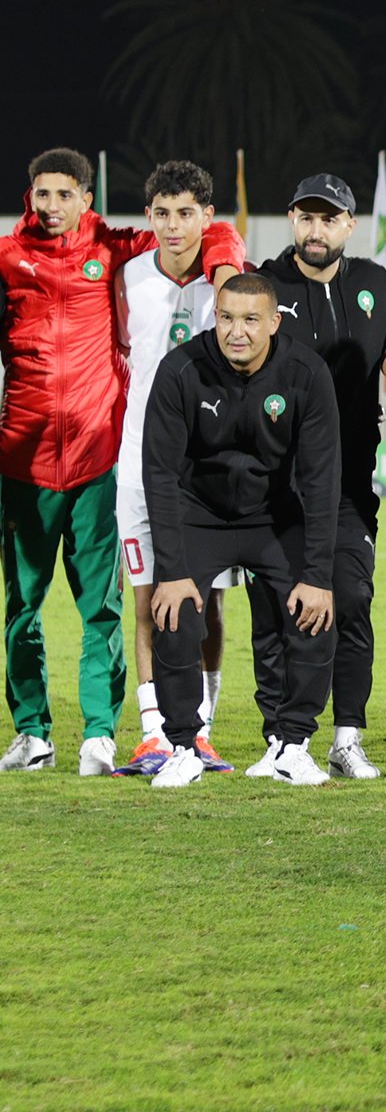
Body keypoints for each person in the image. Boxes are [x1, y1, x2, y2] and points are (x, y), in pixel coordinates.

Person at [0, 146, 242, 775]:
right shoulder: (14, 260)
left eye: (65, 194)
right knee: (39, 604)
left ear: (87, 198)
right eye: (41, 194)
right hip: (47, 457)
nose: (51, 206)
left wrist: (222, 265)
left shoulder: (111, 251)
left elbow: (214, 231)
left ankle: (137, 731)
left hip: (118, 460)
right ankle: (51, 731)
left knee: (145, 602)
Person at [140, 274, 338, 789]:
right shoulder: (181, 369)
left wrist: (317, 574)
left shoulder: (306, 373)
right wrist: (173, 570)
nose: (237, 332)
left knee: (315, 610)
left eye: (251, 320)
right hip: (197, 513)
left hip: (274, 515)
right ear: (216, 317)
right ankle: (183, 746)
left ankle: (292, 744)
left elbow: (321, 479)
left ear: (274, 322)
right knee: (174, 612)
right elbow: (158, 473)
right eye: (227, 318)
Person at [255, 173, 386, 780]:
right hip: (275, 486)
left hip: (348, 485)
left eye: (329, 218)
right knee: (275, 612)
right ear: (292, 220)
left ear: (349, 225)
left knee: (354, 600)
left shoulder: (376, 284)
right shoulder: (264, 285)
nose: (316, 230)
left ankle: (347, 738)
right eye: (305, 217)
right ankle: (279, 738)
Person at [113, 162, 246, 775]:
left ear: (206, 217)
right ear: (149, 217)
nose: (173, 225)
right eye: (162, 213)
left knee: (206, 603)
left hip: (207, 472)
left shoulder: (229, 288)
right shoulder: (128, 277)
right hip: (139, 465)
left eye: (186, 213)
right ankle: (151, 734)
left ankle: (201, 732)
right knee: (143, 598)